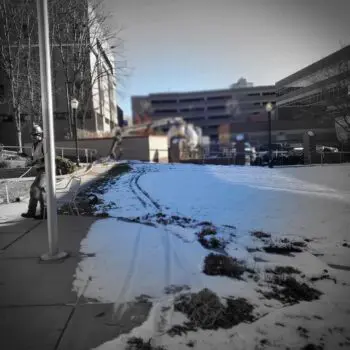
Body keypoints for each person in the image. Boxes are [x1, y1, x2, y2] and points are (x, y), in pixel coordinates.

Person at [21, 124, 46, 220]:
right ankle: (31, 212)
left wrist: (37, 161)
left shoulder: (44, 143)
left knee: (39, 189)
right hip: (39, 170)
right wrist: (26, 156)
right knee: (34, 189)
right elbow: (34, 158)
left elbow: (46, 157)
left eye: (35, 135)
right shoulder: (34, 145)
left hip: (45, 170)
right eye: (32, 135)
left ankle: (45, 213)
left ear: (40, 134)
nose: (33, 137)